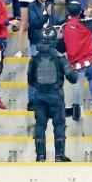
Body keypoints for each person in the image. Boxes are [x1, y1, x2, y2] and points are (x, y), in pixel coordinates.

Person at [29, 26, 79, 162]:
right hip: (56, 96)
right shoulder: (60, 58)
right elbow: (73, 78)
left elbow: (30, 80)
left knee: (40, 125)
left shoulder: (35, 58)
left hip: (39, 96)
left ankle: (40, 156)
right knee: (59, 125)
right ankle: (59, 155)